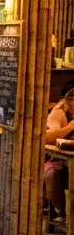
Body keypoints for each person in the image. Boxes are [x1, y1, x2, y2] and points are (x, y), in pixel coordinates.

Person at [45, 88, 74, 222]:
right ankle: (61, 211)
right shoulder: (59, 112)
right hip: (60, 159)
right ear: (70, 102)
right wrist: (70, 127)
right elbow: (48, 137)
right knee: (52, 174)